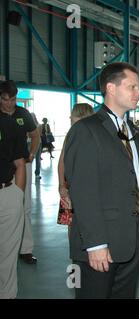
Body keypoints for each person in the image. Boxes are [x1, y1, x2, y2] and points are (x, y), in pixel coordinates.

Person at [63, 62, 139, 299]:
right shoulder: (86, 130)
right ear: (111, 89)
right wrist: (95, 244)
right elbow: (84, 192)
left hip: (130, 240)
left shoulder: (132, 131)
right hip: (101, 244)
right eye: (132, 87)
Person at [0, 80, 40, 265]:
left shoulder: (23, 114)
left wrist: (31, 154)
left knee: (23, 208)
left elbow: (35, 135)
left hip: (22, 165)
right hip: (3, 168)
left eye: (13, 99)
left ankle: (25, 249)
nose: (9, 103)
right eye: (5, 99)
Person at [0, 111, 26, 299]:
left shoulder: (9, 125)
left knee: (7, 256)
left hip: (7, 194)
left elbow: (19, 162)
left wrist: (18, 195)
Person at [57, 103, 94, 233]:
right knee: (70, 224)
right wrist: (62, 185)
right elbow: (61, 162)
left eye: (72, 117)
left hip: (86, 187)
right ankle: (74, 253)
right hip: (70, 187)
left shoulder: (94, 137)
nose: (70, 119)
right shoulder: (70, 136)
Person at [30, 113, 42, 180]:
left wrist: (32, 135)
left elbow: (39, 135)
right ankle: (28, 173)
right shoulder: (27, 125)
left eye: (32, 116)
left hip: (38, 143)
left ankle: (37, 174)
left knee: (37, 159)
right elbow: (28, 135)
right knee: (29, 159)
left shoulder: (39, 125)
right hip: (29, 143)